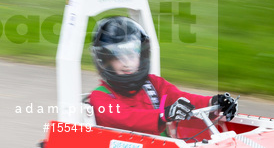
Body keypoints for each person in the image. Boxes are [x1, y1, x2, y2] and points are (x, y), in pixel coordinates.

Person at [87, 16, 237, 139]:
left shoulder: (153, 84)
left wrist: (214, 102)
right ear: (105, 61)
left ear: (141, 55)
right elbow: (128, 118)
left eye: (132, 55)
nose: (127, 63)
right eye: (118, 57)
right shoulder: (100, 97)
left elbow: (181, 99)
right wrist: (164, 114)